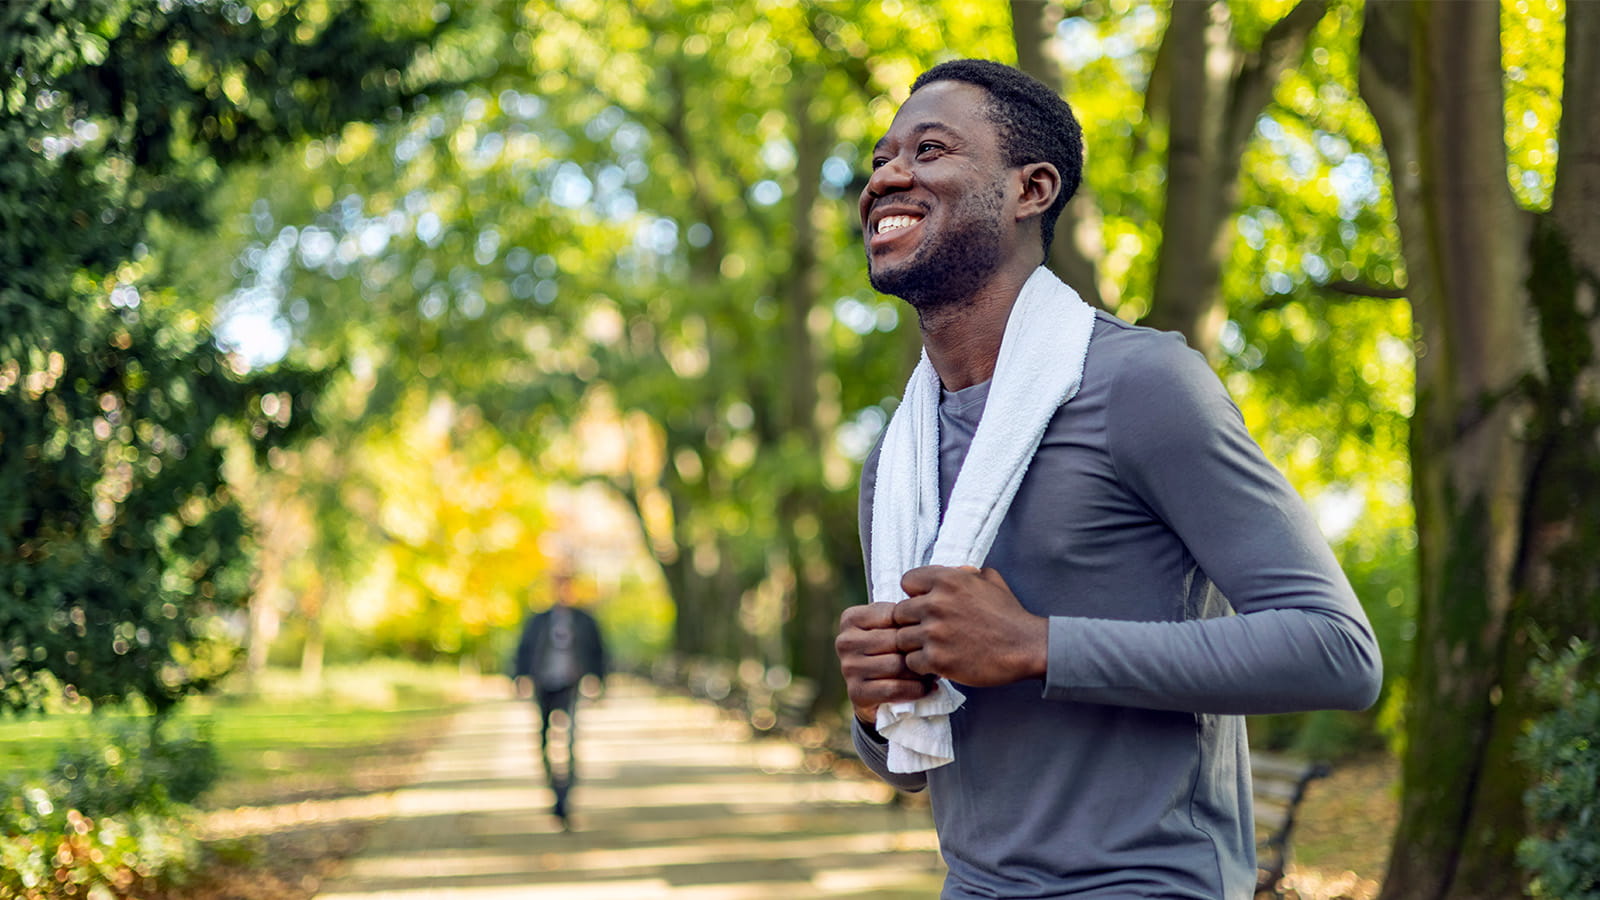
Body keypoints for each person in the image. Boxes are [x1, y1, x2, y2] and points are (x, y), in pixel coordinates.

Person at [834, 59, 1382, 899]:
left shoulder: (1141, 384)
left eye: (930, 149)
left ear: (1032, 188)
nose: (888, 177)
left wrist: (1038, 645)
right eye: (879, 159)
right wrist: (875, 709)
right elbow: (912, 768)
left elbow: (1338, 652)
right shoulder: (895, 462)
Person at [512, 572, 608, 830]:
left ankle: (565, 800)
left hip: (572, 685)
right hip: (544, 685)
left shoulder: (585, 620)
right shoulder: (539, 620)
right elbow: (523, 649)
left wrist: (598, 680)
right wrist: (519, 677)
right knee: (543, 739)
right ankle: (553, 789)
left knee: (570, 741)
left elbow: (599, 652)